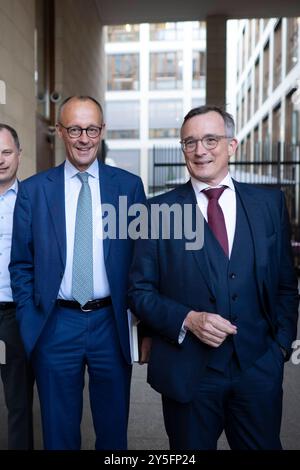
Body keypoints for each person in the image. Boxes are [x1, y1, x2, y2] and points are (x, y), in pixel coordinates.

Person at [128, 105, 299, 450]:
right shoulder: (156, 211)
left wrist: (279, 346)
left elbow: (285, 282)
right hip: (189, 373)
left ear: (232, 145)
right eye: (190, 142)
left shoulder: (269, 205)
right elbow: (138, 291)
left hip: (257, 370)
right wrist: (187, 319)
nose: (200, 150)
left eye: (210, 139)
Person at [9, 96, 146, 450]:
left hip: (111, 324)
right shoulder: (35, 191)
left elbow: (141, 260)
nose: (83, 138)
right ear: (60, 131)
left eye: (91, 129)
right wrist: (30, 319)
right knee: (58, 434)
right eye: (74, 129)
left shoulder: (128, 188)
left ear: (102, 131)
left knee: (114, 433)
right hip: (55, 324)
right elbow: (21, 264)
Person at [0, 124, 34, 449]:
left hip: (14, 314)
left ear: (19, 156)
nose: (0, 159)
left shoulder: (34, 200)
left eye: (6, 152)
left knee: (18, 401)